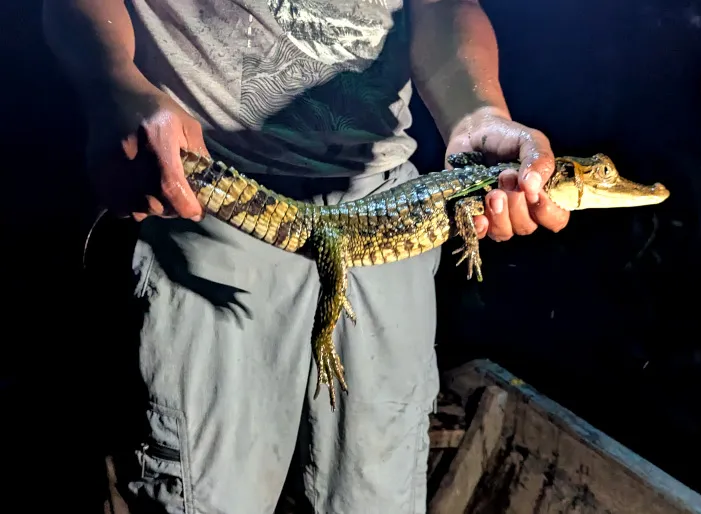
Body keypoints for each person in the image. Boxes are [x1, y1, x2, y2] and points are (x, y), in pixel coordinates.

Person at [43, 0, 569, 512]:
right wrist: (113, 82)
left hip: (383, 203)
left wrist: (480, 111)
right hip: (209, 204)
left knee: (375, 491)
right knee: (201, 493)